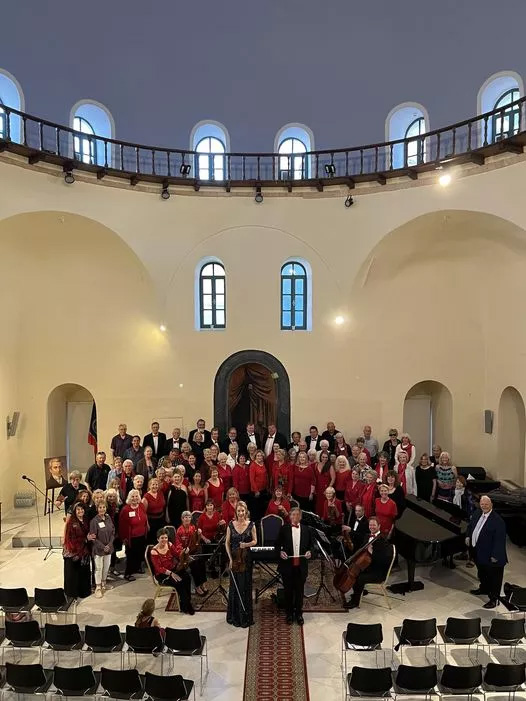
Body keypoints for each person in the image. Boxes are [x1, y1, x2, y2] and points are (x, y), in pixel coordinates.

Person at [466, 495, 508, 609]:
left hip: (492, 556)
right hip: (478, 552)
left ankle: (494, 599)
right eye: (482, 504)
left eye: (486, 504)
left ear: (491, 505)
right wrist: (468, 537)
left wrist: (495, 556)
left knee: (494, 578)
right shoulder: (477, 513)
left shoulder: (498, 521)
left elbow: (500, 540)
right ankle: (483, 588)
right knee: (482, 573)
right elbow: (470, 527)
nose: (484, 506)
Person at [343, 516, 394, 609]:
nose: (372, 527)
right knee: (354, 571)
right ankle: (358, 593)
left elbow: (384, 560)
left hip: (377, 572)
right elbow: (361, 550)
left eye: (374, 525)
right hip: (368, 567)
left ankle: (356, 601)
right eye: (370, 525)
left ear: (379, 526)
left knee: (358, 577)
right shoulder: (367, 536)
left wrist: (372, 552)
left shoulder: (383, 540)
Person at [275, 506, 313, 625]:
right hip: (287, 566)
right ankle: (289, 613)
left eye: (297, 515)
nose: (295, 517)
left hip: (301, 566)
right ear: (290, 516)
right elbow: (276, 545)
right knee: (288, 591)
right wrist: (280, 552)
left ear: (300, 517)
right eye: (293, 515)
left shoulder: (307, 530)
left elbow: (312, 547)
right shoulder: (284, 529)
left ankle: (299, 614)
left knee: (300, 591)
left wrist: (310, 552)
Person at [225, 501, 257, 628]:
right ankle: (234, 616)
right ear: (236, 512)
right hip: (234, 558)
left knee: (245, 586)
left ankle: (245, 617)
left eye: (243, 511)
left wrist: (246, 545)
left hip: (246, 559)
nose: (241, 513)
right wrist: (230, 559)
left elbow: (255, 541)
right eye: (238, 511)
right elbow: (227, 543)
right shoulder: (231, 525)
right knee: (234, 587)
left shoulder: (251, 525)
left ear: (246, 511)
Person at [150, 528, 194, 614]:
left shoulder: (169, 544)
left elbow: (177, 555)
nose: (164, 540)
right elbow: (159, 568)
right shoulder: (154, 551)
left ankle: (186, 602)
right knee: (179, 583)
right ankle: (186, 605)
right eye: (162, 538)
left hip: (173, 569)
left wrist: (184, 552)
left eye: (166, 538)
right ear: (157, 539)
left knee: (187, 577)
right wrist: (171, 573)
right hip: (162, 574)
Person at [63, 502, 91, 599]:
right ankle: (72, 595)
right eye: (78, 509)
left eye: (82, 509)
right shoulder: (71, 523)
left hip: (84, 551)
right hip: (73, 552)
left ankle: (83, 592)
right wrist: (85, 539)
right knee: (72, 576)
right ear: (75, 511)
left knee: (83, 573)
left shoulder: (86, 520)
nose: (80, 511)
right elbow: (71, 539)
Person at [119, 489, 148, 581]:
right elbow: (122, 525)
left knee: (139, 553)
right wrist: (124, 538)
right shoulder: (125, 509)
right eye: (132, 496)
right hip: (131, 537)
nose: (135, 498)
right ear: (129, 498)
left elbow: (145, 517)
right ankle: (128, 573)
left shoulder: (141, 506)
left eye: (136, 496)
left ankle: (137, 568)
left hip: (142, 534)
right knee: (131, 555)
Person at [176, 511, 207, 596]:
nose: (187, 519)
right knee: (195, 564)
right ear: (182, 519)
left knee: (201, 561)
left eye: (189, 517)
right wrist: (184, 552)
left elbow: (197, 541)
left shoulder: (193, 528)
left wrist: (199, 533)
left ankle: (203, 583)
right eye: (185, 517)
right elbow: (178, 546)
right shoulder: (179, 531)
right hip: (185, 555)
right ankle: (197, 586)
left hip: (194, 551)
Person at [89, 501, 115, 597]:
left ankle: (104, 583)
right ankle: (98, 587)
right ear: (97, 509)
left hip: (109, 548)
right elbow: (93, 537)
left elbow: (113, 532)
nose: (102, 509)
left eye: (104, 507)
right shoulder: (94, 521)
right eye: (100, 507)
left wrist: (109, 544)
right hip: (99, 549)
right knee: (98, 568)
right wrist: (103, 547)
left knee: (106, 566)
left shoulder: (108, 518)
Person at [142, 477, 166, 544]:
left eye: (156, 484)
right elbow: (143, 513)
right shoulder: (146, 497)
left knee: (161, 537)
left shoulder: (160, 493)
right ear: (149, 486)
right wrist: (147, 524)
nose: (155, 486)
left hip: (161, 519)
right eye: (153, 484)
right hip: (151, 522)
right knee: (152, 539)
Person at [248, 449, 269, 521]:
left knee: (262, 508)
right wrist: (256, 491)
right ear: (255, 457)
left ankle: (261, 523)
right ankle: (255, 524)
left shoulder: (263, 464)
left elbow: (265, 476)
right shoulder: (253, 465)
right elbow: (252, 480)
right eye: (258, 456)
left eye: (261, 456)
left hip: (263, 490)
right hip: (255, 492)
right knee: (255, 510)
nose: (260, 457)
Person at [314, 451, 335, 517]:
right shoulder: (316, 465)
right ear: (320, 457)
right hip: (318, 488)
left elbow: (333, 478)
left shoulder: (330, 466)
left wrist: (328, 489)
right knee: (318, 505)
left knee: (325, 505)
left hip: (326, 489)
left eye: (326, 457)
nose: (324, 459)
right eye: (323, 457)